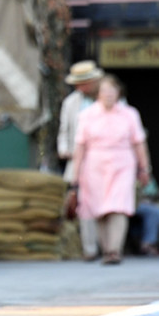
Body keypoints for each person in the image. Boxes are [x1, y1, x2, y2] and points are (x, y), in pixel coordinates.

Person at [69, 74, 150, 265]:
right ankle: (106, 249)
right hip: (94, 166)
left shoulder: (130, 114)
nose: (108, 95)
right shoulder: (87, 115)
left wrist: (144, 168)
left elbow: (139, 143)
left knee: (119, 207)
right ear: (98, 94)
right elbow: (80, 147)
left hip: (122, 164)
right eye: (104, 91)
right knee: (99, 209)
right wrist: (75, 175)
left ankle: (114, 250)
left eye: (112, 90)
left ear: (119, 93)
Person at [57, 60, 103, 260]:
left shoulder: (107, 98)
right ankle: (90, 248)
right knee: (84, 204)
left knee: (107, 203)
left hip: (104, 159)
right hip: (80, 160)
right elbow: (64, 130)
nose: (79, 87)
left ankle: (109, 246)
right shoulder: (71, 103)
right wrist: (65, 150)